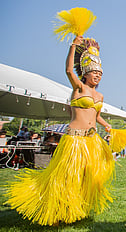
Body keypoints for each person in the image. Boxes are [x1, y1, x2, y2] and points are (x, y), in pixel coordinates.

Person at [5, 35, 116, 226]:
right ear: (85, 73)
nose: (97, 75)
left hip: (91, 140)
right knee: (64, 177)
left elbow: (95, 115)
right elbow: (67, 70)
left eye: (100, 73)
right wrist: (73, 45)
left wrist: (106, 124)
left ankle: (75, 209)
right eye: (94, 72)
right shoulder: (79, 88)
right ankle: (55, 211)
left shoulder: (99, 95)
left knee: (85, 177)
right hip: (74, 139)